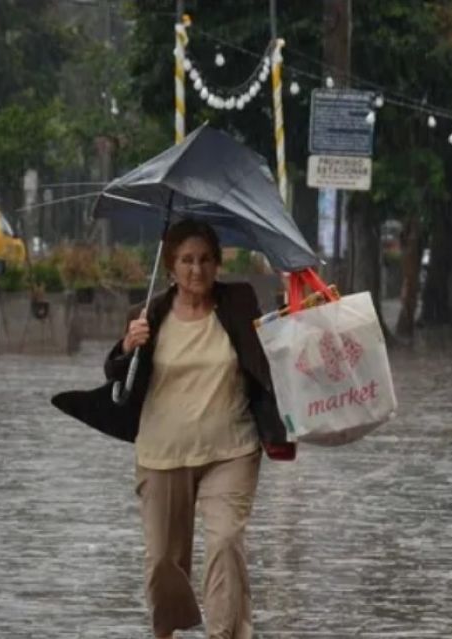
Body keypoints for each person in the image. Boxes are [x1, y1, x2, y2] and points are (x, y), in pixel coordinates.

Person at [104, 219, 295, 639]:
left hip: (232, 449)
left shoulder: (240, 302)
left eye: (206, 259)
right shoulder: (147, 315)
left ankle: (225, 633)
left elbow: (274, 350)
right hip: (162, 453)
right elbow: (117, 377)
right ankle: (169, 629)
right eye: (186, 260)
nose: (197, 270)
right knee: (161, 562)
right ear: (170, 264)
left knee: (226, 542)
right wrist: (126, 347)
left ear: (218, 262)